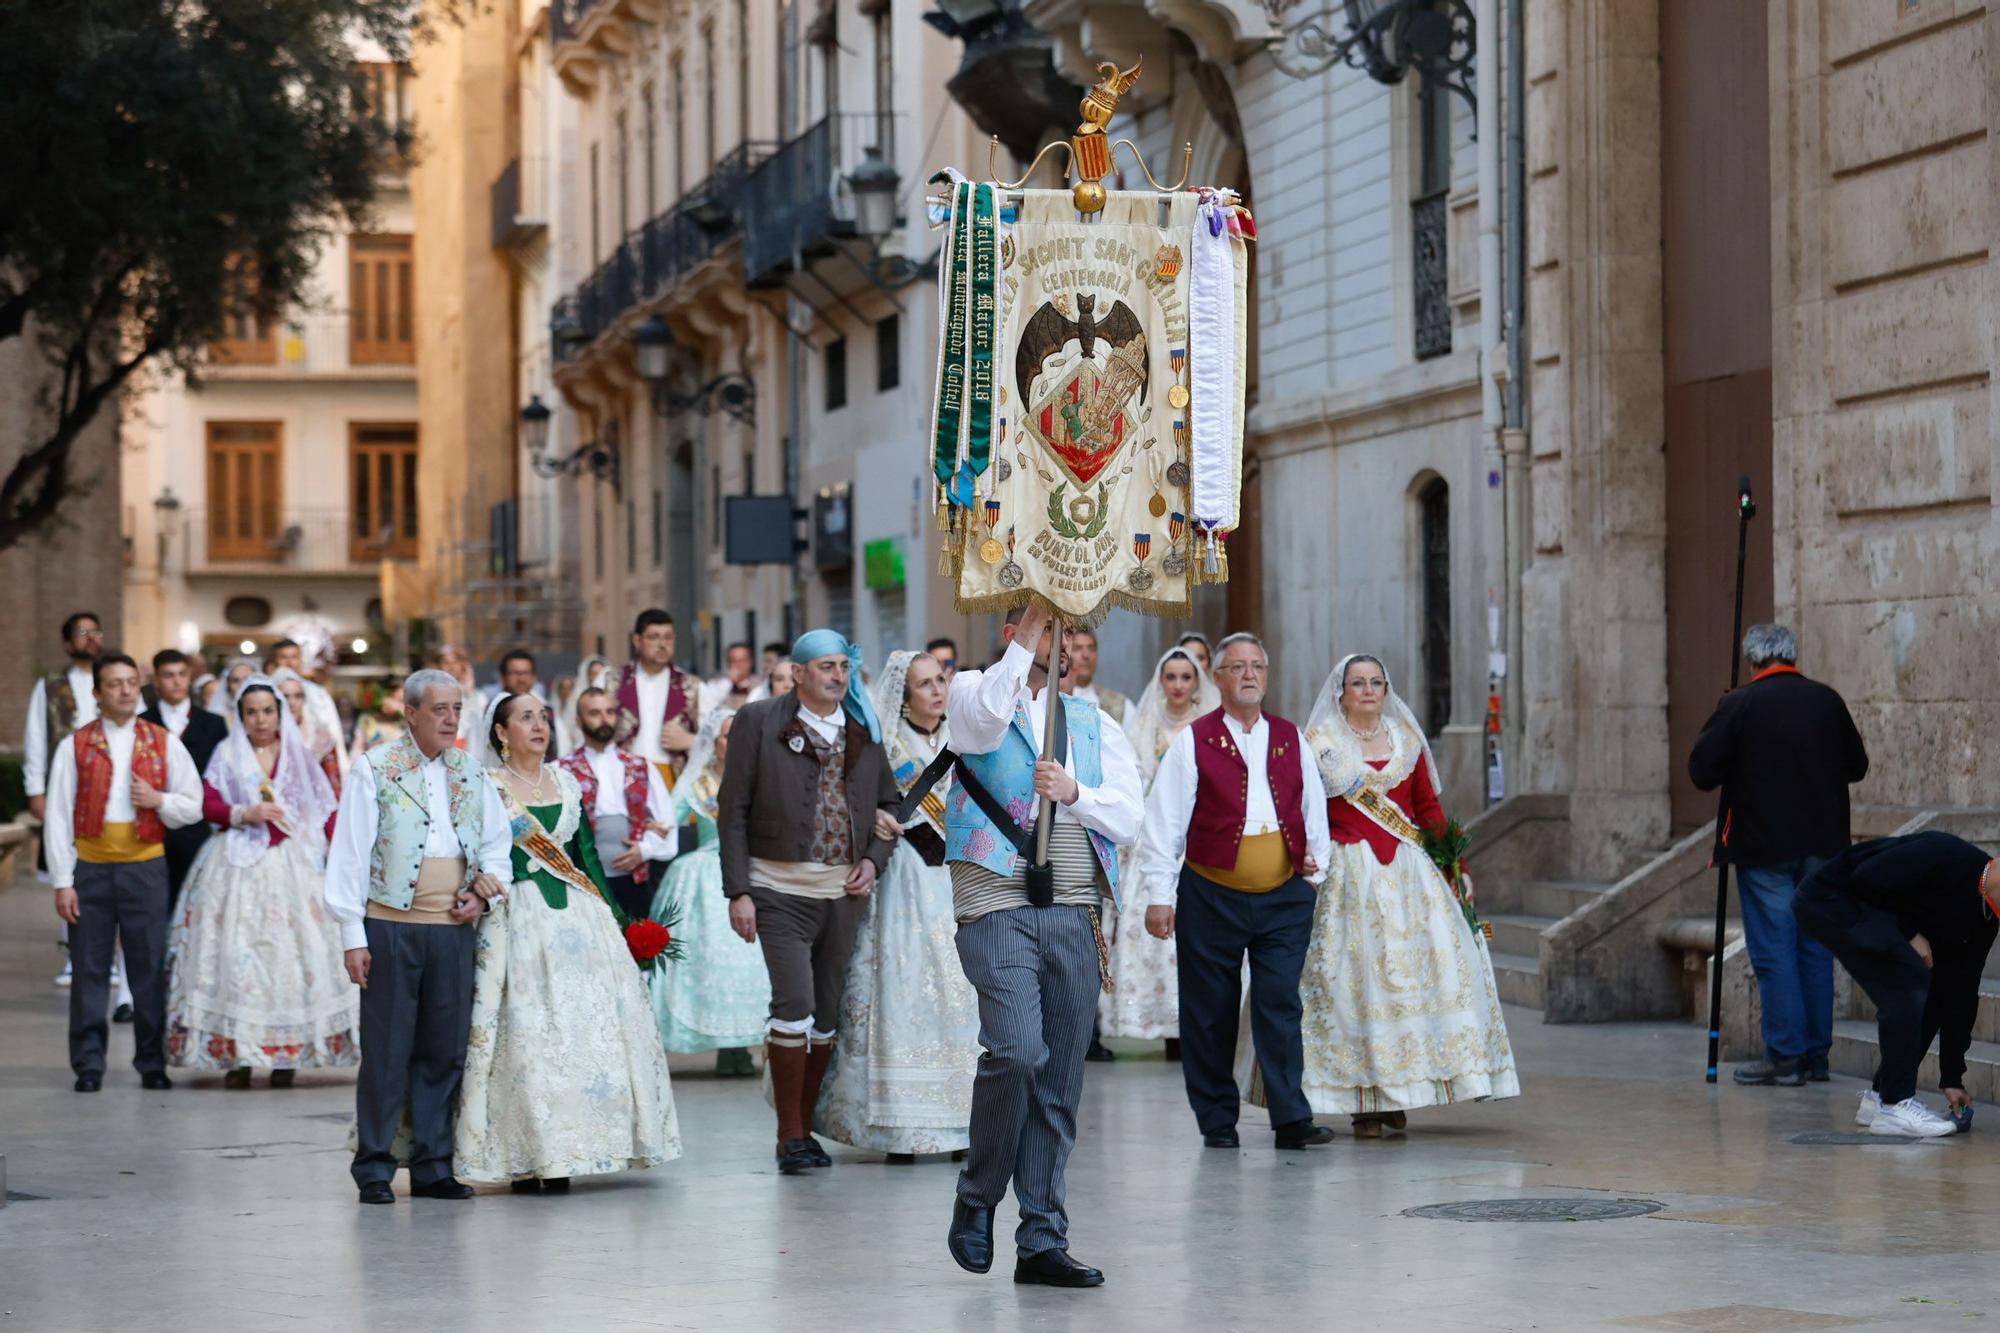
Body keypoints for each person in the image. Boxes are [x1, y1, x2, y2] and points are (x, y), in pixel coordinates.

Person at [943, 605, 1143, 1289]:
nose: (1061, 645)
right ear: (1017, 634)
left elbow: (1130, 816)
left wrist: (1076, 792)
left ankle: (1041, 1237)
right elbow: (984, 723)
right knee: (1017, 1049)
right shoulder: (970, 693)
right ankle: (976, 1198)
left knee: (1059, 1080)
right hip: (995, 897)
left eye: (1067, 635)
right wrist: (1030, 624)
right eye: (1049, 631)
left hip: (1073, 902)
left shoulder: (1095, 721)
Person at [455, 693, 682, 1190]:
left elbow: (586, 861)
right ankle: (528, 1153)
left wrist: (624, 924)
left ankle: (577, 1148)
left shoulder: (567, 781)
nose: (538, 726)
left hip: (580, 921)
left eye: (543, 717)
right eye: (525, 718)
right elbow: (467, 850)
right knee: (526, 1033)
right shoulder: (485, 786)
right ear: (499, 732)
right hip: (517, 918)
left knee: (583, 1031)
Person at [1295, 653, 1518, 1136]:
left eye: (1377, 682)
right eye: (1358, 683)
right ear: (1342, 692)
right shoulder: (1319, 746)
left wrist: (1454, 865)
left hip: (1411, 878)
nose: (1369, 691)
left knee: (1411, 988)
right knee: (1357, 986)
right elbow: (1304, 810)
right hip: (1349, 877)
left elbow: (1427, 809)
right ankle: (1364, 1099)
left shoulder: (1407, 741)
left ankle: (1398, 1091)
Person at [1135, 634, 1334, 1150]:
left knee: (1279, 1003)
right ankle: (1217, 1120)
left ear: (1267, 676)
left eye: (1257, 666)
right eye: (1236, 667)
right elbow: (1165, 824)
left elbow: (1314, 812)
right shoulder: (1193, 741)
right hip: (1211, 893)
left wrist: (1315, 874)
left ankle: (1291, 1117)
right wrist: (1160, 895)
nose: (1248, 675)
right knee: (1210, 1011)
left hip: (1284, 895)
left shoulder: (1292, 738)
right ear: (1217, 678)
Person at [324, 668, 513, 1204]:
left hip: (452, 929)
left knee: (443, 1050)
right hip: (390, 927)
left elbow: (498, 845)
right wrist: (351, 935)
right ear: (410, 714)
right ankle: (375, 1166)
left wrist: (485, 893)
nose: (451, 719)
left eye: (457, 709)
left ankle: (433, 1165)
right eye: (440, 710)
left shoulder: (471, 773)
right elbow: (351, 854)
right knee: (386, 1050)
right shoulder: (375, 768)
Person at [718, 629, 899, 1175]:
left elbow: (889, 805)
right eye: (825, 666)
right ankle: (789, 1134)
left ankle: (806, 1125)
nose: (837, 676)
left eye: (844, 666)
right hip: (777, 890)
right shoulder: (758, 721)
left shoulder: (863, 729)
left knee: (825, 1015)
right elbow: (733, 809)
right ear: (797, 673)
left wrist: (873, 859)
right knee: (792, 1004)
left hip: (842, 894)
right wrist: (739, 892)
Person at [815, 650, 982, 1162]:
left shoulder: (968, 741)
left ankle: (961, 1122)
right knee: (903, 990)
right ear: (904, 694)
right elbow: (850, 807)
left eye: (941, 681)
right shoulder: (885, 747)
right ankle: (902, 1127)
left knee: (963, 994)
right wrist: (877, 824)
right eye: (925, 684)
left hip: (959, 882)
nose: (937, 691)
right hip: (905, 883)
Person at [1689, 623, 1870, 1087]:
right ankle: (1815, 1055)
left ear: (1752, 661)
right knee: (1814, 949)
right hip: (1825, 846)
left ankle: (1786, 1054)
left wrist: (1726, 720)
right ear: (1792, 656)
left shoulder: (1740, 705)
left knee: (1774, 949)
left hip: (1764, 846)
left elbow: (1702, 772)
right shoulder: (1826, 700)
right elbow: (1857, 766)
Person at [165, 674, 354, 1088]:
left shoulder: (298, 753)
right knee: (236, 954)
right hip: (236, 864)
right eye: (252, 712)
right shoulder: (227, 753)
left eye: (268, 711)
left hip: (293, 865)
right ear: (240, 716)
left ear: (280, 713)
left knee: (290, 957)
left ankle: (287, 1057)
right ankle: (238, 1057)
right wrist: (242, 813)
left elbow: (327, 808)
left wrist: (340, 857)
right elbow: (207, 801)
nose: (261, 719)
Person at [43, 653, 204, 1092]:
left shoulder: (163, 741)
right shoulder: (75, 745)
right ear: (97, 693)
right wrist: (63, 880)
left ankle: (152, 1061)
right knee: (89, 969)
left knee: (148, 968)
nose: (125, 690)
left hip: (145, 867)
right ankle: (89, 1063)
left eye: (132, 682)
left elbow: (194, 803)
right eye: (114, 684)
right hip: (91, 869)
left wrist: (159, 800)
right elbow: (58, 816)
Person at [1793, 831, 1998, 1138]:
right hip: (1832, 897)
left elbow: (1960, 992)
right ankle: (1895, 1104)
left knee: (1929, 991)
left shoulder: (1985, 920)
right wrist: (1910, 933)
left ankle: (1880, 1098)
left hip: (1864, 910)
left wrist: (1952, 1076)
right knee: (1908, 980)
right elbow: (1866, 878)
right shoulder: (1946, 855)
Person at [1103, 645, 1219, 1054]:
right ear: (1160, 681)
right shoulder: (1144, 727)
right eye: (1170, 677)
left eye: (1186, 677)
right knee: (1152, 931)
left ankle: (1196, 1026)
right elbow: (1130, 779)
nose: (1178, 685)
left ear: (1197, 683)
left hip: (1200, 837)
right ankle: (1160, 1022)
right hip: (1155, 838)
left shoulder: (1208, 727)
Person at [647, 707, 770, 1074]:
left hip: (754, 871)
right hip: (705, 873)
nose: (734, 743)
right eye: (726, 736)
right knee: (704, 960)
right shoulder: (696, 780)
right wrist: (653, 832)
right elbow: (667, 818)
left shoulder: (762, 776)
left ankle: (741, 1048)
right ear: (711, 741)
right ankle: (719, 1045)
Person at [24, 612, 102, 987]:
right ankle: (74, 952)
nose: (90, 638)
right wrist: (35, 789)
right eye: (82, 633)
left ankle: (110, 954)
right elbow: (37, 737)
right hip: (66, 792)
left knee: (107, 868)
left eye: (95, 631)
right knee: (67, 868)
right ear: (68, 643)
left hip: (107, 794)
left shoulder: (112, 681)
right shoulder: (51, 686)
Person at [556, 687, 678, 923]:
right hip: (585, 879)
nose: (604, 719)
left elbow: (668, 822)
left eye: (610, 712)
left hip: (635, 879)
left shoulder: (641, 766)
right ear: (579, 721)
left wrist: (645, 849)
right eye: (595, 713)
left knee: (637, 946)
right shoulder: (561, 769)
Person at [141, 649, 229, 919]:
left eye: (182, 675)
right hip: (152, 824)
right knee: (152, 906)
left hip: (197, 826)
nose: (177, 682)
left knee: (194, 905)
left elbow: (222, 776)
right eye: (168, 676)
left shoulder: (213, 724)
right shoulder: (142, 723)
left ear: (190, 677)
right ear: (156, 680)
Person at [615, 609, 703, 785]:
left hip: (672, 778)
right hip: (621, 776)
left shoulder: (692, 685)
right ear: (637, 640)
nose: (662, 644)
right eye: (654, 637)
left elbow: (715, 736)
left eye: (668, 637)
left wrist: (691, 740)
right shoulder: (613, 680)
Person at [269, 639, 348, 777]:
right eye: (283, 657)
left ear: (300, 660)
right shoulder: (267, 692)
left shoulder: (319, 694)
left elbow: (334, 731)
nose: (289, 662)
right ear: (275, 661)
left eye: (294, 657)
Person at [272, 668, 342, 797]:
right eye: (284, 696)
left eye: (298, 696)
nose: (291, 702)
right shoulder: (265, 736)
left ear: (304, 699)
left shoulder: (321, 737)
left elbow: (334, 784)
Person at [1063, 628, 1128, 724]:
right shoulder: (1049, 699)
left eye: (1091, 648)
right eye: (1077, 648)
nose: (1086, 655)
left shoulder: (1120, 703)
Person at [555, 653, 614, 757]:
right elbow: (570, 728)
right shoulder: (577, 698)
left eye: (600, 673)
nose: (598, 677)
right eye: (594, 673)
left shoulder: (612, 698)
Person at [349, 679, 407, 761]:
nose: (395, 703)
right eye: (393, 698)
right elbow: (357, 750)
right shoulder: (368, 720)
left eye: (401, 701)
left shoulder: (407, 722)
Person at [704, 641, 764, 715]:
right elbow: (708, 706)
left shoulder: (762, 684)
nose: (738, 665)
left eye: (742, 660)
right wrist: (728, 682)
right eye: (734, 661)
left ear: (751, 662)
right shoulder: (716, 683)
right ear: (728, 663)